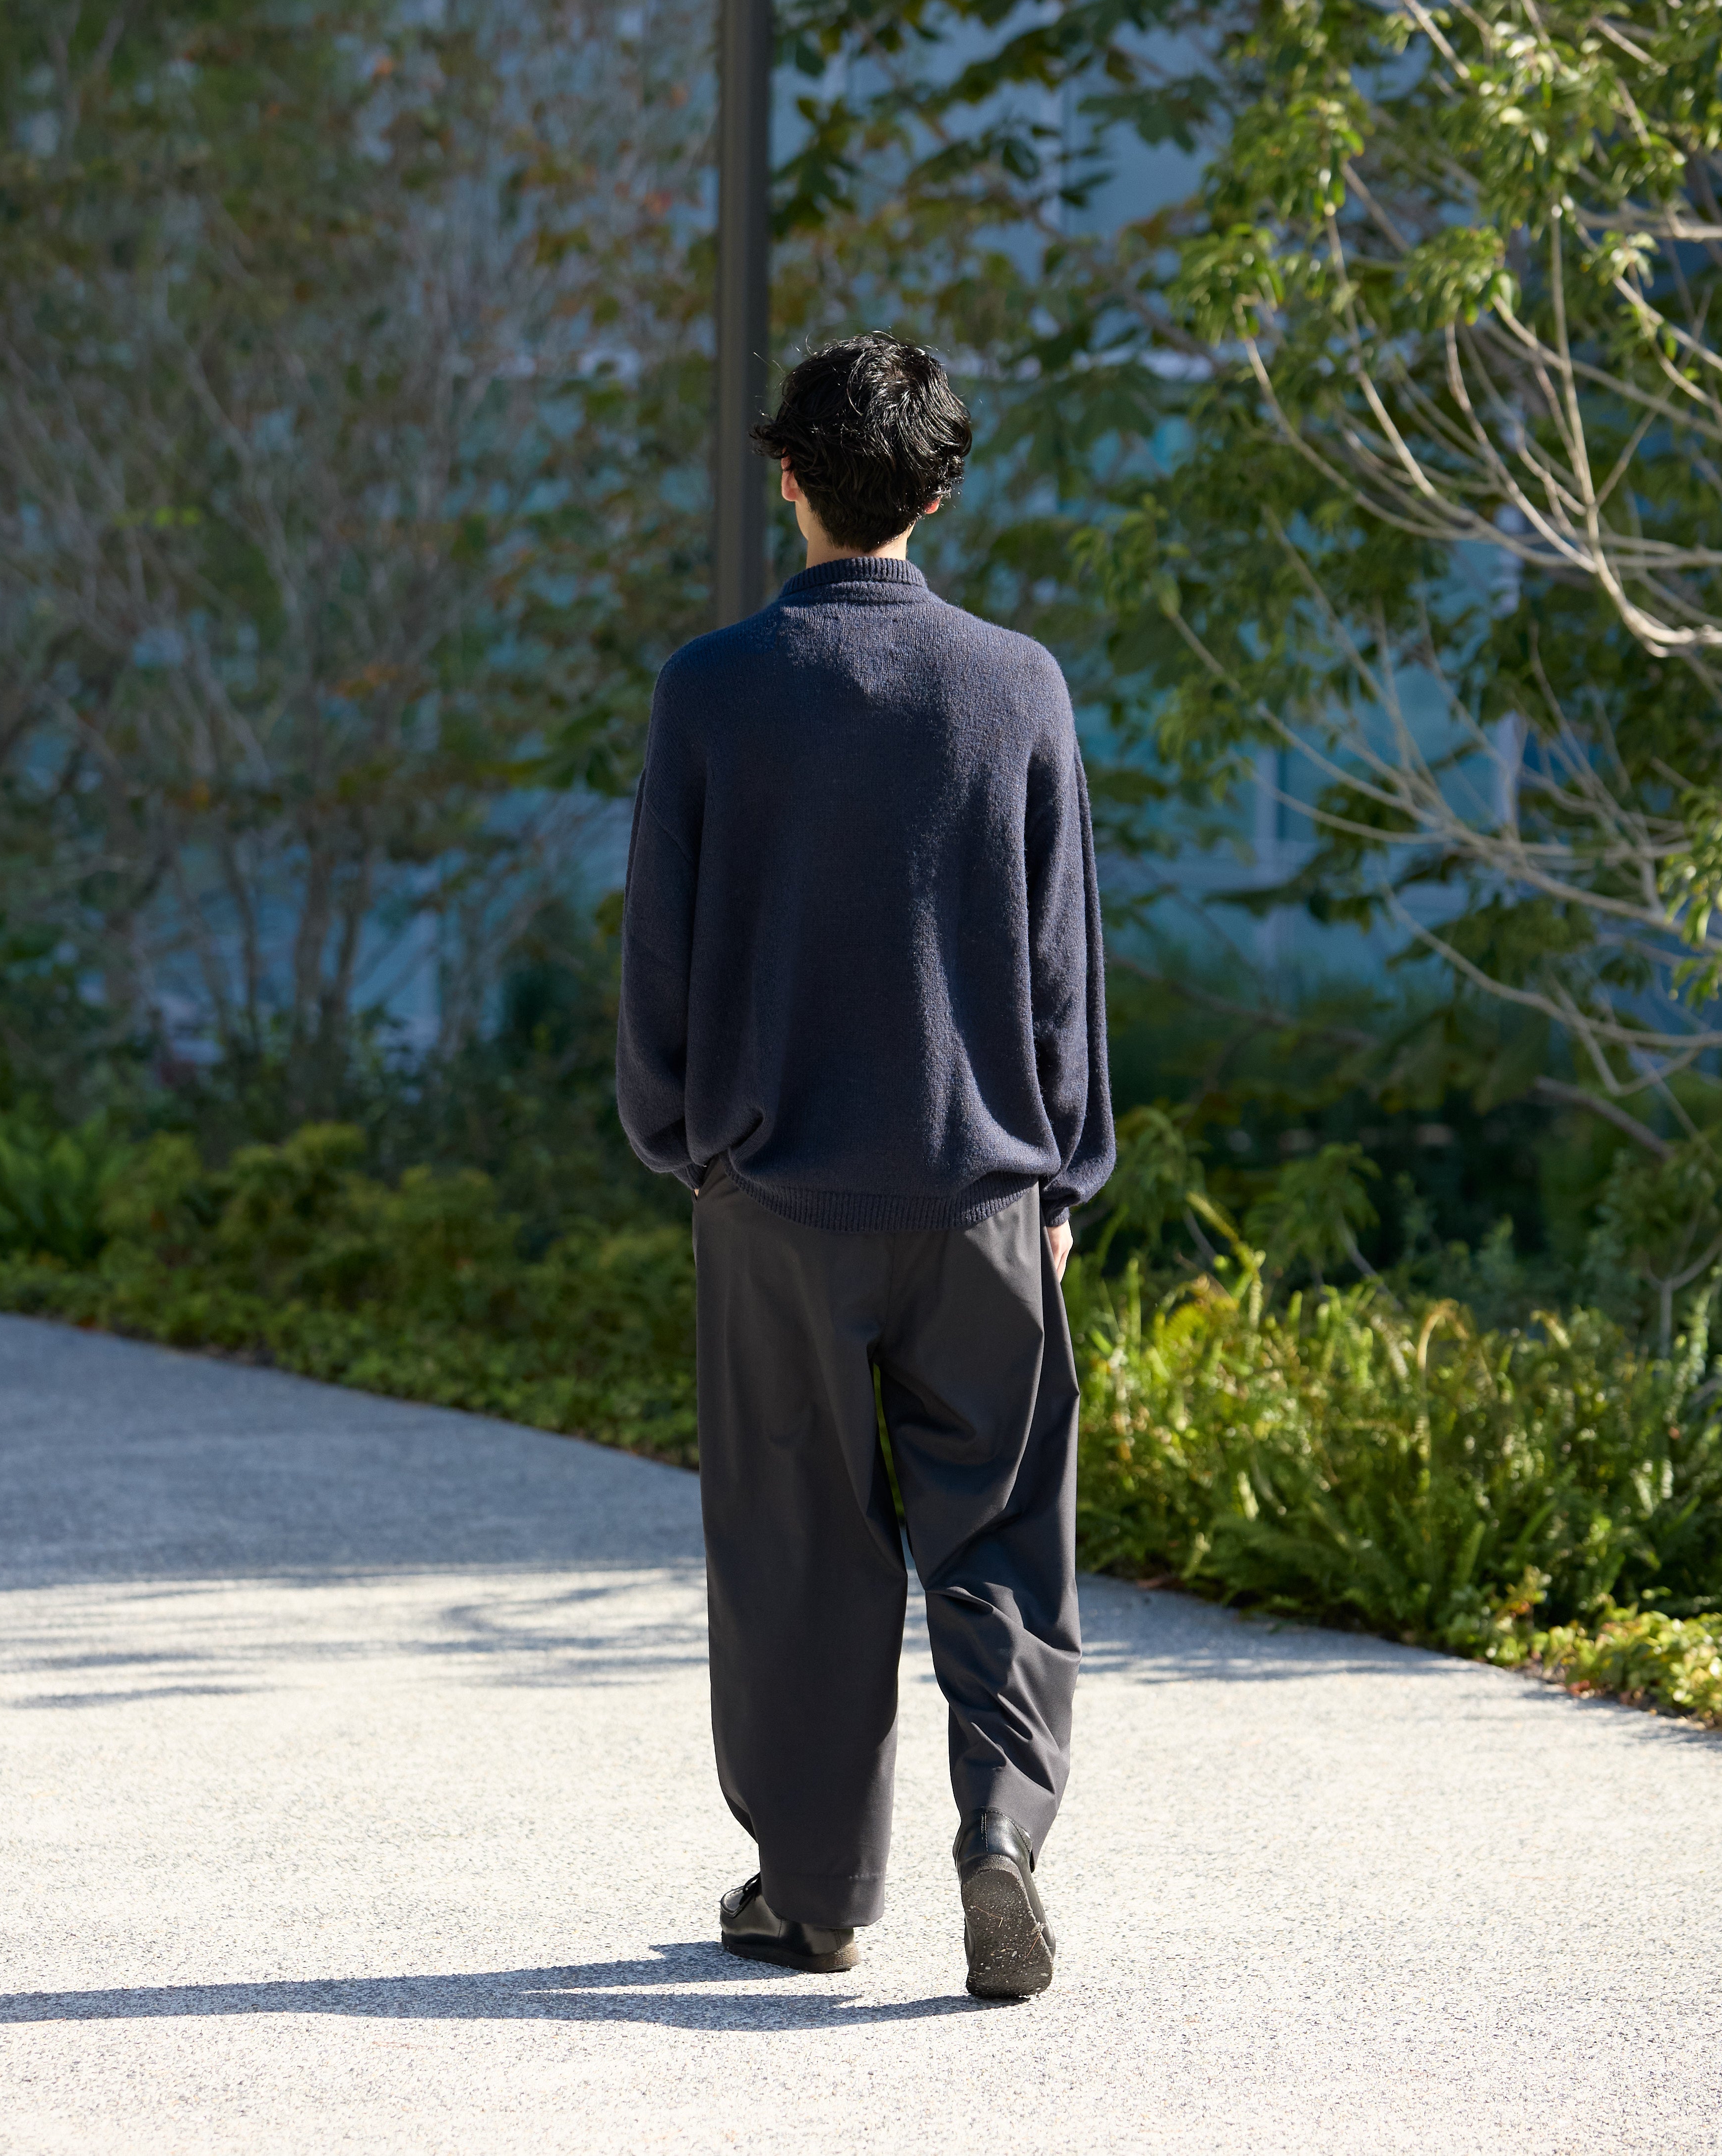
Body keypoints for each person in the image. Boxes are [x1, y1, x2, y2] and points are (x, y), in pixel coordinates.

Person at [615, 331, 1113, 2001]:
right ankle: (1000, 1839)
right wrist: (1063, 1183)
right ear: (942, 487)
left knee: (798, 1549)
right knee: (1001, 1539)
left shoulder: (712, 690)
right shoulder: (1019, 685)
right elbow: (1062, 966)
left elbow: (661, 967)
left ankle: (815, 1893)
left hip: (776, 1201)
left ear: (789, 481)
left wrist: (687, 1146)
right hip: (983, 1195)